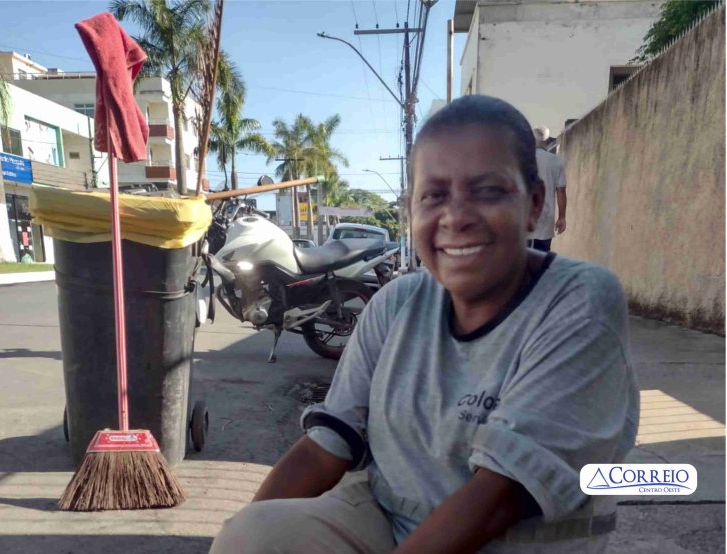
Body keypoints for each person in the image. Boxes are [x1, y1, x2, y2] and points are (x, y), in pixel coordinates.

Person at [209, 95, 639, 554]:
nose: (455, 216)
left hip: (514, 540)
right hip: (385, 517)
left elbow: (500, 495)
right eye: (434, 195)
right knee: (254, 538)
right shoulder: (397, 303)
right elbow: (326, 446)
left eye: (488, 190)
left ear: (534, 204)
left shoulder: (579, 301)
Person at [527, 125, 566, 252]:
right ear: (547, 141)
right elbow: (561, 191)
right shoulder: (556, 161)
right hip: (546, 218)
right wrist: (562, 217)